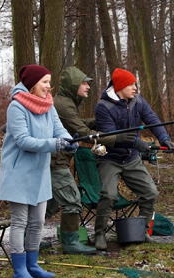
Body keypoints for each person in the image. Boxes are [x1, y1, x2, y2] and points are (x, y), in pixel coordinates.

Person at [0, 64, 79, 278]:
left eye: (49, 82)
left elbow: (58, 129)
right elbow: (23, 141)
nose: (48, 86)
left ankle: (33, 265)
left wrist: (69, 140)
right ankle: (19, 270)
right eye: (44, 82)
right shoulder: (17, 107)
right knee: (20, 221)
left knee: (37, 222)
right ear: (33, 84)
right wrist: (56, 144)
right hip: (18, 173)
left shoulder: (48, 105)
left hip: (40, 172)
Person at [47, 66, 137, 254]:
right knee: (72, 200)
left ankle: (25, 240)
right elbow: (83, 134)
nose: (88, 87)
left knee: (49, 205)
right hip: (55, 161)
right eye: (84, 83)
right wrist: (117, 137)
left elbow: (77, 125)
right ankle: (71, 243)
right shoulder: (62, 105)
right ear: (73, 85)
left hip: (55, 159)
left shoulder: (67, 103)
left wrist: (98, 121)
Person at [93, 68, 174, 250]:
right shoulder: (103, 107)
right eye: (131, 84)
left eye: (135, 84)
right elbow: (111, 137)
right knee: (109, 195)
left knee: (150, 193)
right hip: (109, 158)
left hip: (131, 159)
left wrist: (164, 138)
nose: (135, 88)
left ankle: (143, 231)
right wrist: (137, 143)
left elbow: (152, 119)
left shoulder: (138, 101)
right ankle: (99, 233)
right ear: (120, 86)